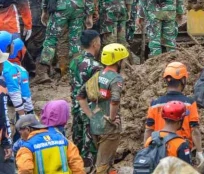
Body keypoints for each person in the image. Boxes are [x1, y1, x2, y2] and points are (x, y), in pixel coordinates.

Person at [77, 43, 128, 174]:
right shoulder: (116, 79)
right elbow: (115, 100)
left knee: (104, 161)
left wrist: (91, 116)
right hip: (109, 129)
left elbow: (80, 96)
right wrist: (111, 118)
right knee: (103, 165)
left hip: (95, 125)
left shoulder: (97, 75)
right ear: (118, 61)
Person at [145, 62, 202, 162]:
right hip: (181, 150)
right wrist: (199, 152)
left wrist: (147, 149)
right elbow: (195, 130)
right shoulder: (189, 104)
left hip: (159, 151)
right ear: (183, 80)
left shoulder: (155, 104)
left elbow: (149, 130)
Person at [70, 29, 101, 169]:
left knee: (77, 144)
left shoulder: (74, 61)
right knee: (89, 149)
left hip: (75, 108)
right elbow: (96, 93)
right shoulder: (95, 66)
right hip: (89, 111)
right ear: (94, 43)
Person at [15, 114, 85, 174]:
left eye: (20, 132)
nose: (21, 136)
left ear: (28, 129)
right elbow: (76, 163)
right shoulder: (62, 140)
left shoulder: (27, 147)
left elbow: (25, 169)